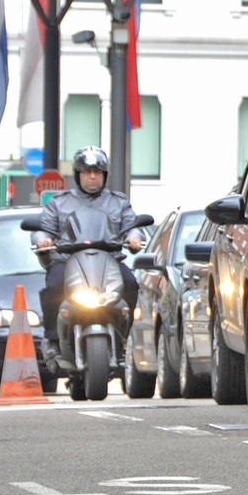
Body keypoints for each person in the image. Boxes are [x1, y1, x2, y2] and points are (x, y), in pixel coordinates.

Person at [34, 146, 145, 363]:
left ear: (105, 175)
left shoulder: (118, 202)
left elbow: (132, 225)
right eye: (87, 172)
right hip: (68, 261)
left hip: (108, 262)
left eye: (97, 172)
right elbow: (42, 228)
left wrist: (134, 237)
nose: (92, 177)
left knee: (131, 283)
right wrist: (42, 240)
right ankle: (52, 340)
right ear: (78, 174)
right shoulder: (59, 202)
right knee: (54, 285)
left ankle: (123, 336)